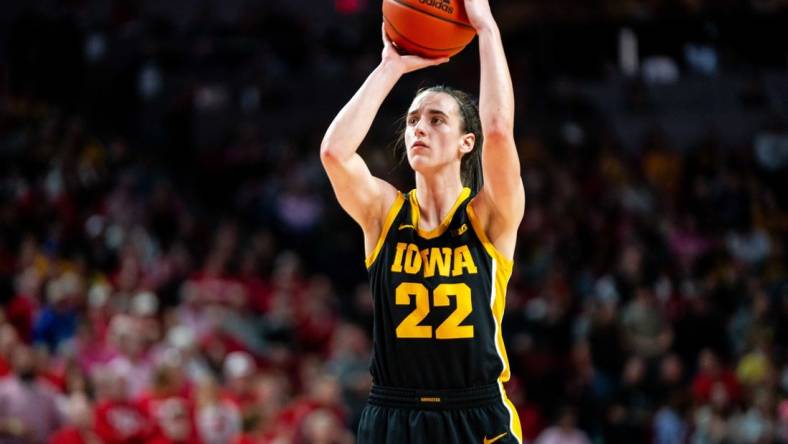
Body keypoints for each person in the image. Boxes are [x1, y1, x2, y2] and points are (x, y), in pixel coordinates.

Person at [319, 0, 524, 442]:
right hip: (394, 414)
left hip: (477, 414)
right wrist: (389, 68)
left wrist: (486, 28)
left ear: (467, 142)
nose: (419, 129)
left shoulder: (489, 216)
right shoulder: (385, 213)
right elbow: (335, 153)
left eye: (436, 119)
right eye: (412, 120)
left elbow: (500, 130)